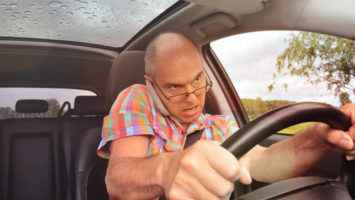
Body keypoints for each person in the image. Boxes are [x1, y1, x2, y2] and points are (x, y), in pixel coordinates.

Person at [97, 32, 355, 200]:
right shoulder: (137, 98)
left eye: (197, 79)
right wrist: (166, 168)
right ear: (152, 84)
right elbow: (117, 178)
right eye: (174, 87)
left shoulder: (218, 126)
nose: (192, 96)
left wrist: (316, 139)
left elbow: (264, 160)